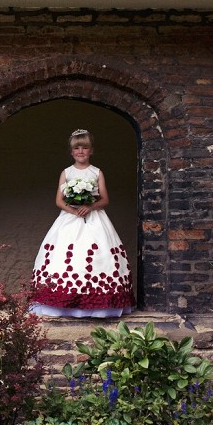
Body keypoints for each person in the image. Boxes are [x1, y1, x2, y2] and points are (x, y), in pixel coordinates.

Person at [29, 130, 134, 318]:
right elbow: (59, 201)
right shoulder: (66, 173)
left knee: (99, 257)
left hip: (94, 219)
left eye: (85, 148)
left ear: (91, 151)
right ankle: (63, 305)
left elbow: (105, 199)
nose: (80, 151)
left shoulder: (97, 172)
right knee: (65, 257)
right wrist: (74, 210)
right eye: (77, 148)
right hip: (70, 219)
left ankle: (99, 307)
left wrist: (90, 206)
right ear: (71, 152)